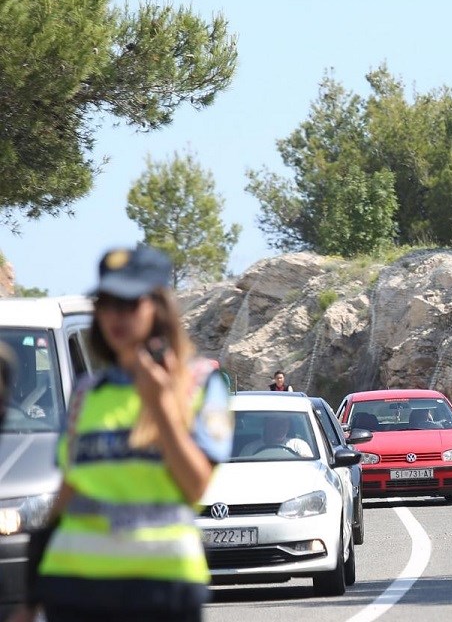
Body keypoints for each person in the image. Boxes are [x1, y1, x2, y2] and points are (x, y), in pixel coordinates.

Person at [13, 244, 233, 622]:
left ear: (157, 308)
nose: (116, 316)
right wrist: (32, 598)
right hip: (75, 589)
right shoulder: (86, 393)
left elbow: (196, 485)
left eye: (129, 304)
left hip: (162, 589)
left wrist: (161, 409)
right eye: (107, 303)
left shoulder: (199, 385)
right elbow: (65, 499)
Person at [238, 414, 314, 457]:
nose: (280, 427)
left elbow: (310, 467)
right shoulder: (250, 449)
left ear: (288, 426)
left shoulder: (299, 445)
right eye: (275, 422)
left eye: (284, 423)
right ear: (267, 425)